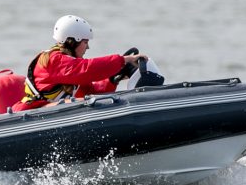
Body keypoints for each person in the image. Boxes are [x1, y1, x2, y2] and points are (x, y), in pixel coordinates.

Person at [11, 15, 146, 112]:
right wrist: (122, 60)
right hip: (33, 110)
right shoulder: (54, 60)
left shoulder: (71, 70)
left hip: (48, 111)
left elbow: (91, 92)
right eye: (85, 43)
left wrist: (113, 79)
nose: (87, 48)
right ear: (72, 41)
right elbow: (86, 69)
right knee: (82, 104)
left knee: (89, 101)